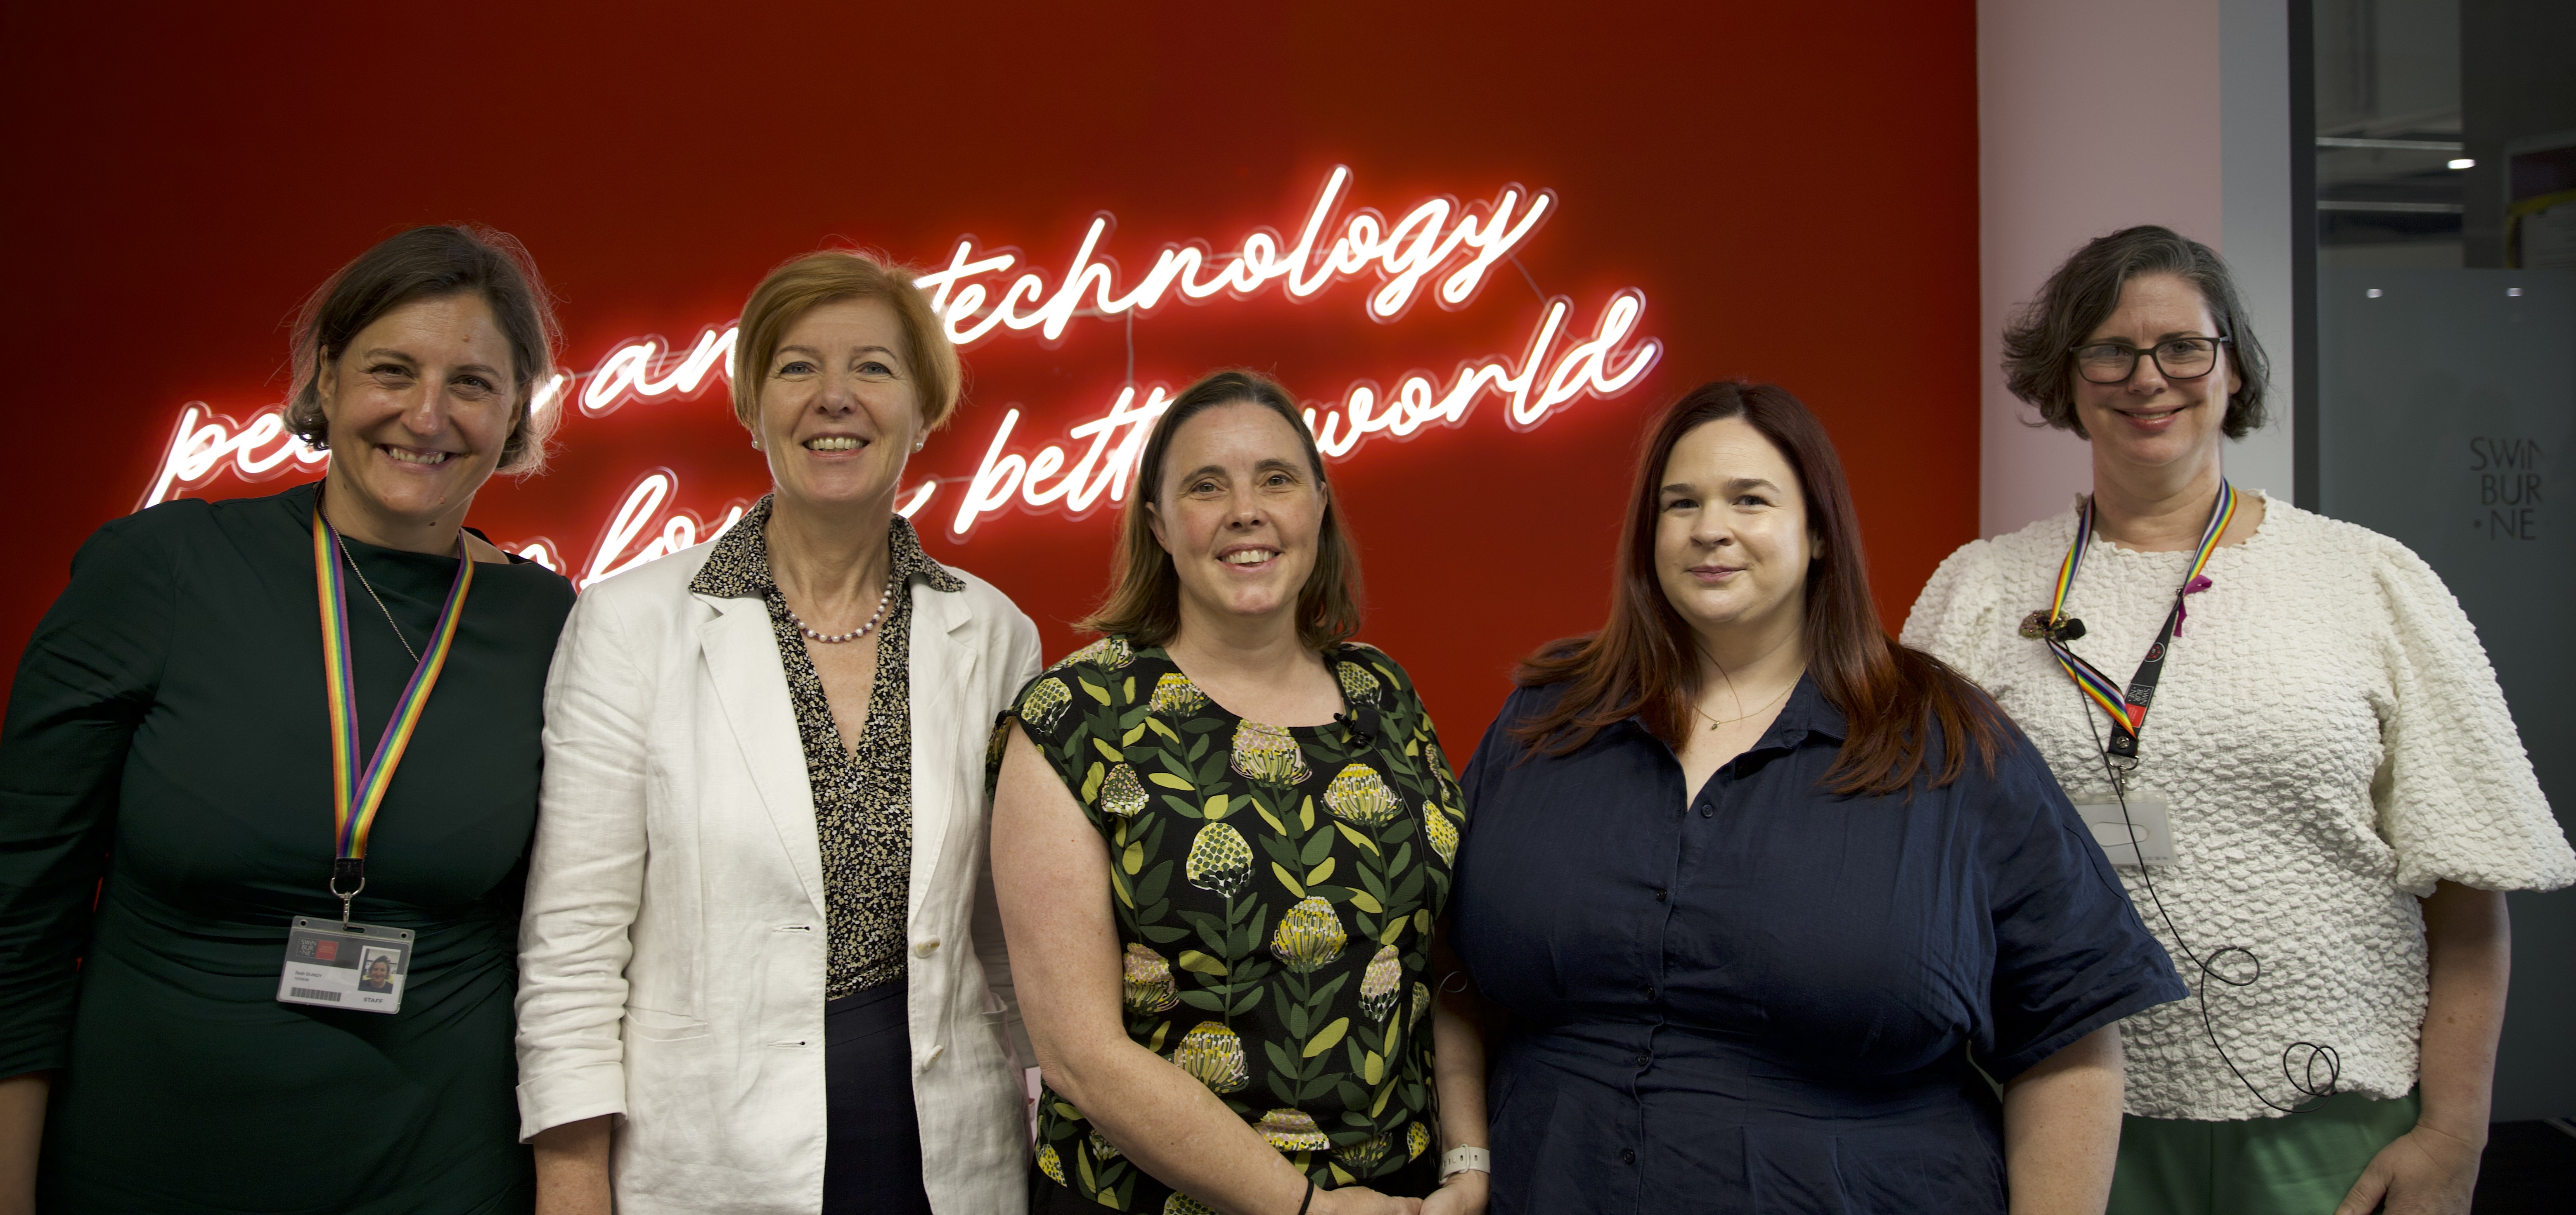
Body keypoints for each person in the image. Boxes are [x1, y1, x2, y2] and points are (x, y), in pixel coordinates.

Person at [1903, 225, 2574, 1215]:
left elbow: (2469, 881)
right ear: (2066, 375)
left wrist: (2454, 1133)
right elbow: (1907, 872)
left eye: (2184, 346)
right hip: (2055, 1125)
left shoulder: (2370, 581)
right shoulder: (1977, 591)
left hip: (2330, 1131)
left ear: (2234, 369)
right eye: (2109, 349)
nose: (2149, 377)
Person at [1451, 380, 2185, 1215]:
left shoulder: (1946, 743)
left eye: (1750, 499)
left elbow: (2071, 1035)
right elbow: (1449, 970)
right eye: (1679, 503)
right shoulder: (1551, 720)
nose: (1709, 528)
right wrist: (1465, 1156)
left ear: (1820, 534)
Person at [0, 224, 575, 1214]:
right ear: (325, 375)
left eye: (474, 384)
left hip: (435, 1173)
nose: (427, 415)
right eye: (391, 370)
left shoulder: (553, 625)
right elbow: (19, 921)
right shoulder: (161, 569)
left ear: (517, 407)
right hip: (145, 1165)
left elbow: (572, 947)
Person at [516, 250, 1040, 1215]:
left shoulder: (997, 634)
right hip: (707, 1151)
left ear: (924, 409)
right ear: (750, 404)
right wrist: (571, 1177)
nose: (834, 397)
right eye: (797, 367)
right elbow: (574, 941)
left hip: (949, 1149)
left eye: (875, 369)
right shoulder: (630, 623)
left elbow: (1016, 937)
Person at [991, 370, 1489, 1215]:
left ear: (1319, 506)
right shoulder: (1074, 717)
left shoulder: (1384, 696)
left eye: (1276, 479)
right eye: (1206, 485)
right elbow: (1079, 1052)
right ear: (1158, 524)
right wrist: (1305, 1208)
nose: (1245, 510)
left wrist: (1467, 1162)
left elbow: (1438, 962)